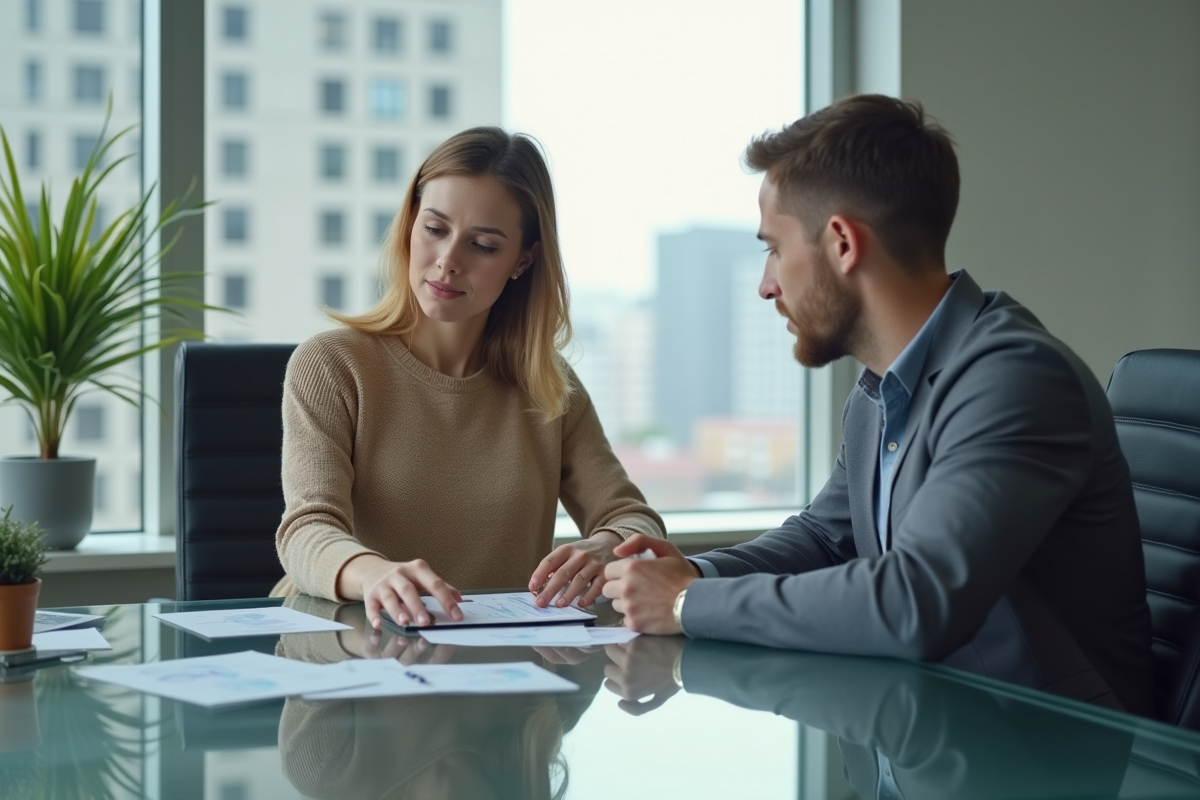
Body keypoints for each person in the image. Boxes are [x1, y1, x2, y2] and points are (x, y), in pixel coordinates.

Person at [602, 94, 1155, 717]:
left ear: (841, 243)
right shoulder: (881, 389)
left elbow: (915, 603)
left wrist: (683, 605)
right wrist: (695, 576)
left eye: (774, 249)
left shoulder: (1016, 379)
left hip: (1052, 758)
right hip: (932, 737)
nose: (766, 285)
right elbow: (826, 538)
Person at [272, 127, 665, 630]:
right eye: (434, 229)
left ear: (522, 261)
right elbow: (306, 530)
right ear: (410, 225)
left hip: (499, 667)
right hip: (346, 650)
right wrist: (374, 575)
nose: (448, 261)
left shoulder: (547, 389)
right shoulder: (332, 366)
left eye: (482, 245)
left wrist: (606, 546)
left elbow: (636, 519)